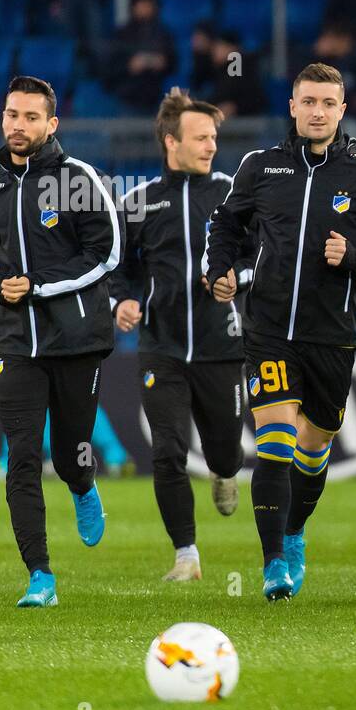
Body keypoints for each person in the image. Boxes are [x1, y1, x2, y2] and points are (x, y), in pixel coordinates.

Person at [203, 62, 356, 601]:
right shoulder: (261, 167)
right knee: (274, 442)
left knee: (314, 446)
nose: (317, 112)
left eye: (327, 103)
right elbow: (225, 225)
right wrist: (220, 268)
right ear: (293, 107)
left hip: (333, 336)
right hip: (268, 328)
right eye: (308, 102)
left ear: (342, 111)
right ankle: (274, 561)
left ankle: (295, 531)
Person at [0, 76, 122, 608]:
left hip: (76, 339)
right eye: (11, 115)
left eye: (31, 117)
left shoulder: (79, 179)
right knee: (22, 458)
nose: (18, 125)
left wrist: (41, 286)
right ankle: (40, 576)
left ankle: (82, 483)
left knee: (72, 453)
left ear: (52, 124)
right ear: (2, 119)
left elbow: (107, 253)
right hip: (14, 344)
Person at [113, 89, 253, 583]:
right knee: (167, 450)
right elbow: (118, 269)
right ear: (172, 142)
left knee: (225, 451)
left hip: (221, 347)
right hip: (162, 349)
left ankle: (224, 471)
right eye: (201, 137)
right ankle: (186, 554)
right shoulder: (138, 203)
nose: (211, 145)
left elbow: (260, 254)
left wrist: (240, 277)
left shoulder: (233, 195)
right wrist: (122, 302)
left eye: (214, 137)